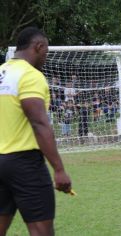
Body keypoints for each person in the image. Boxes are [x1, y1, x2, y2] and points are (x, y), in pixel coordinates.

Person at [0, 27, 71, 236]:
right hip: (24, 162)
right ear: (38, 47)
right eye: (46, 52)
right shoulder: (30, 75)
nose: (45, 57)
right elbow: (39, 123)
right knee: (42, 231)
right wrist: (58, 169)